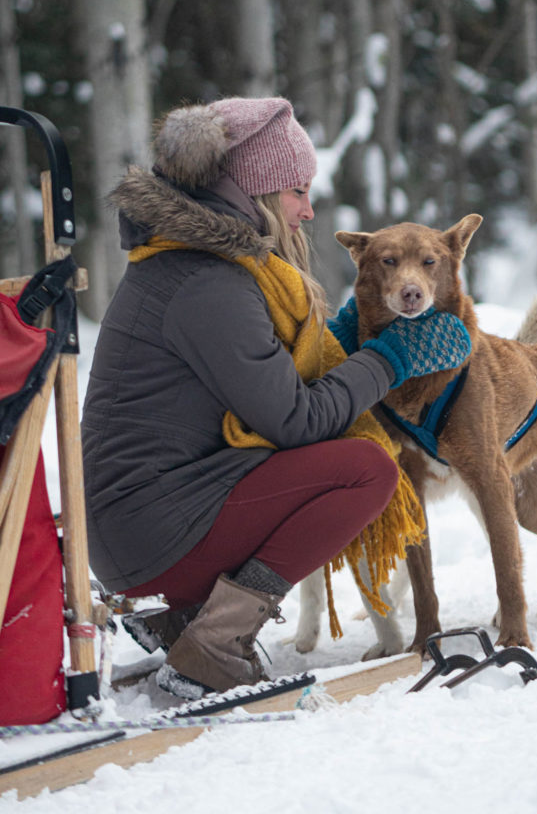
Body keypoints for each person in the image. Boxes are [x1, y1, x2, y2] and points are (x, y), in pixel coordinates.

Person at [81, 96, 469, 700]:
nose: (308, 210)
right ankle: (213, 642)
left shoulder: (197, 266)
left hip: (145, 524)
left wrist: (342, 344)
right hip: (152, 539)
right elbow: (295, 419)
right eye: (297, 191)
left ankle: (187, 619)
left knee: (330, 462)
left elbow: (267, 391)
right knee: (363, 470)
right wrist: (389, 359)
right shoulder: (208, 282)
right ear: (256, 192)